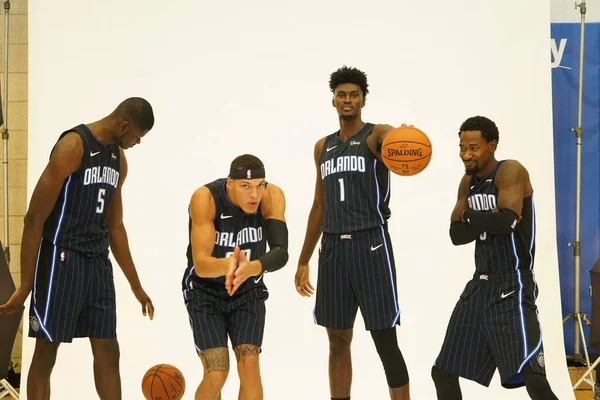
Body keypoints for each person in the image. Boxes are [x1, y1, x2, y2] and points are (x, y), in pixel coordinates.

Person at [0, 97, 156, 399]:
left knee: (108, 348)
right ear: (124, 126)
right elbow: (34, 219)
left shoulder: (118, 160)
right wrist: (25, 286)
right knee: (47, 349)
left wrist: (136, 286)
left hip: (97, 262)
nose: (137, 143)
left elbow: (115, 227)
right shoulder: (73, 146)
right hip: (61, 258)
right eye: (137, 136)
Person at [295, 66, 410, 400]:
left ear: (363, 99)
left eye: (354, 95)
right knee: (337, 340)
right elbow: (319, 206)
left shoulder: (376, 135)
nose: (347, 99)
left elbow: (396, 140)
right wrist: (303, 260)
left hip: (370, 243)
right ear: (333, 100)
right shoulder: (323, 147)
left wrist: (403, 138)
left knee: (384, 339)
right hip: (332, 248)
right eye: (342, 94)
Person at [431, 116, 558, 399]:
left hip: (513, 284)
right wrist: (485, 217)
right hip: (480, 285)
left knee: (533, 379)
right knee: (443, 372)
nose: (466, 154)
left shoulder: (510, 171)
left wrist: (469, 216)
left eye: (473, 148)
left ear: (492, 145)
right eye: (462, 147)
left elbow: (508, 222)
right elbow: (456, 236)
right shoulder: (467, 183)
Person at [183, 154, 289, 400]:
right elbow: (200, 264)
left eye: (259, 185)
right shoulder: (206, 198)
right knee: (217, 373)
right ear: (230, 183)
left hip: (247, 291)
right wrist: (229, 264)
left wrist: (252, 268)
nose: (254, 195)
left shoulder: (271, 197)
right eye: (246, 186)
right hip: (205, 292)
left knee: (250, 366)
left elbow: (281, 252)